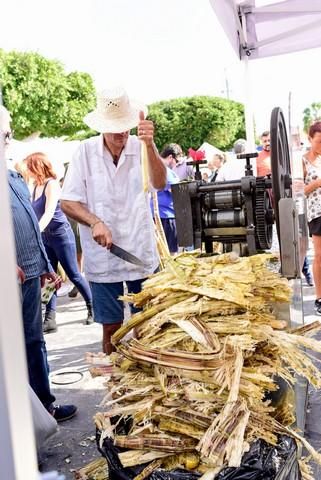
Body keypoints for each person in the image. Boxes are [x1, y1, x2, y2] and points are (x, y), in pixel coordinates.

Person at [60, 87, 166, 354]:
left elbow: (160, 182)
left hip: (140, 251)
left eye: (126, 127)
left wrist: (150, 145)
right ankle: (115, 381)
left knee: (148, 324)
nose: (122, 134)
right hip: (103, 256)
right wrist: (94, 221)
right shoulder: (84, 152)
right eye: (115, 128)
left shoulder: (140, 147)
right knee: (112, 328)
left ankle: (149, 380)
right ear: (102, 127)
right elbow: (68, 201)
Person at [0, 105, 77, 421]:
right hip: (9, 278)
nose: (9, 136)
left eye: (8, 130)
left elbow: (31, 226)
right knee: (12, 351)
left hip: (31, 273)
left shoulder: (14, 175)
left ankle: (44, 407)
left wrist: (47, 266)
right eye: (5, 130)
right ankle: (21, 423)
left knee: (34, 343)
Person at [23, 152, 93, 333]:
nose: (28, 172)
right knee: (51, 277)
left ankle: (93, 307)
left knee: (74, 274)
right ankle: (50, 317)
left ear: (37, 166)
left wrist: (35, 232)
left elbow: (48, 212)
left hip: (60, 235)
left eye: (30, 168)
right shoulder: (34, 186)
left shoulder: (51, 185)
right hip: (46, 237)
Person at [303, 121, 321, 314]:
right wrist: (317, 183)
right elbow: (300, 191)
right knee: (319, 256)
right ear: (310, 139)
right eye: (319, 141)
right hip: (317, 212)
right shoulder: (303, 161)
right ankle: (319, 297)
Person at [151, 144, 180, 253]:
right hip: (166, 217)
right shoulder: (166, 171)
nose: (176, 164)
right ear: (171, 158)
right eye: (177, 161)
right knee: (170, 254)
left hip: (155, 215)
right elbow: (177, 193)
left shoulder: (154, 167)